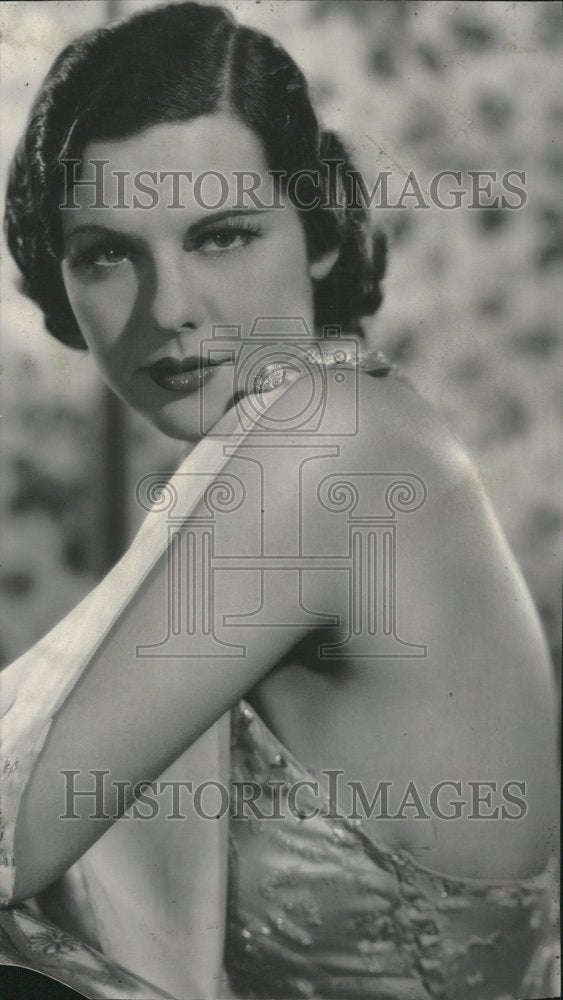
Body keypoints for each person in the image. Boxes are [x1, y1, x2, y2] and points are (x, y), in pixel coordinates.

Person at [0, 3, 558, 998]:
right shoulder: (312, 427)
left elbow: (11, 829)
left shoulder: (330, 442)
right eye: (106, 253)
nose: (170, 309)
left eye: (220, 236)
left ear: (317, 235)